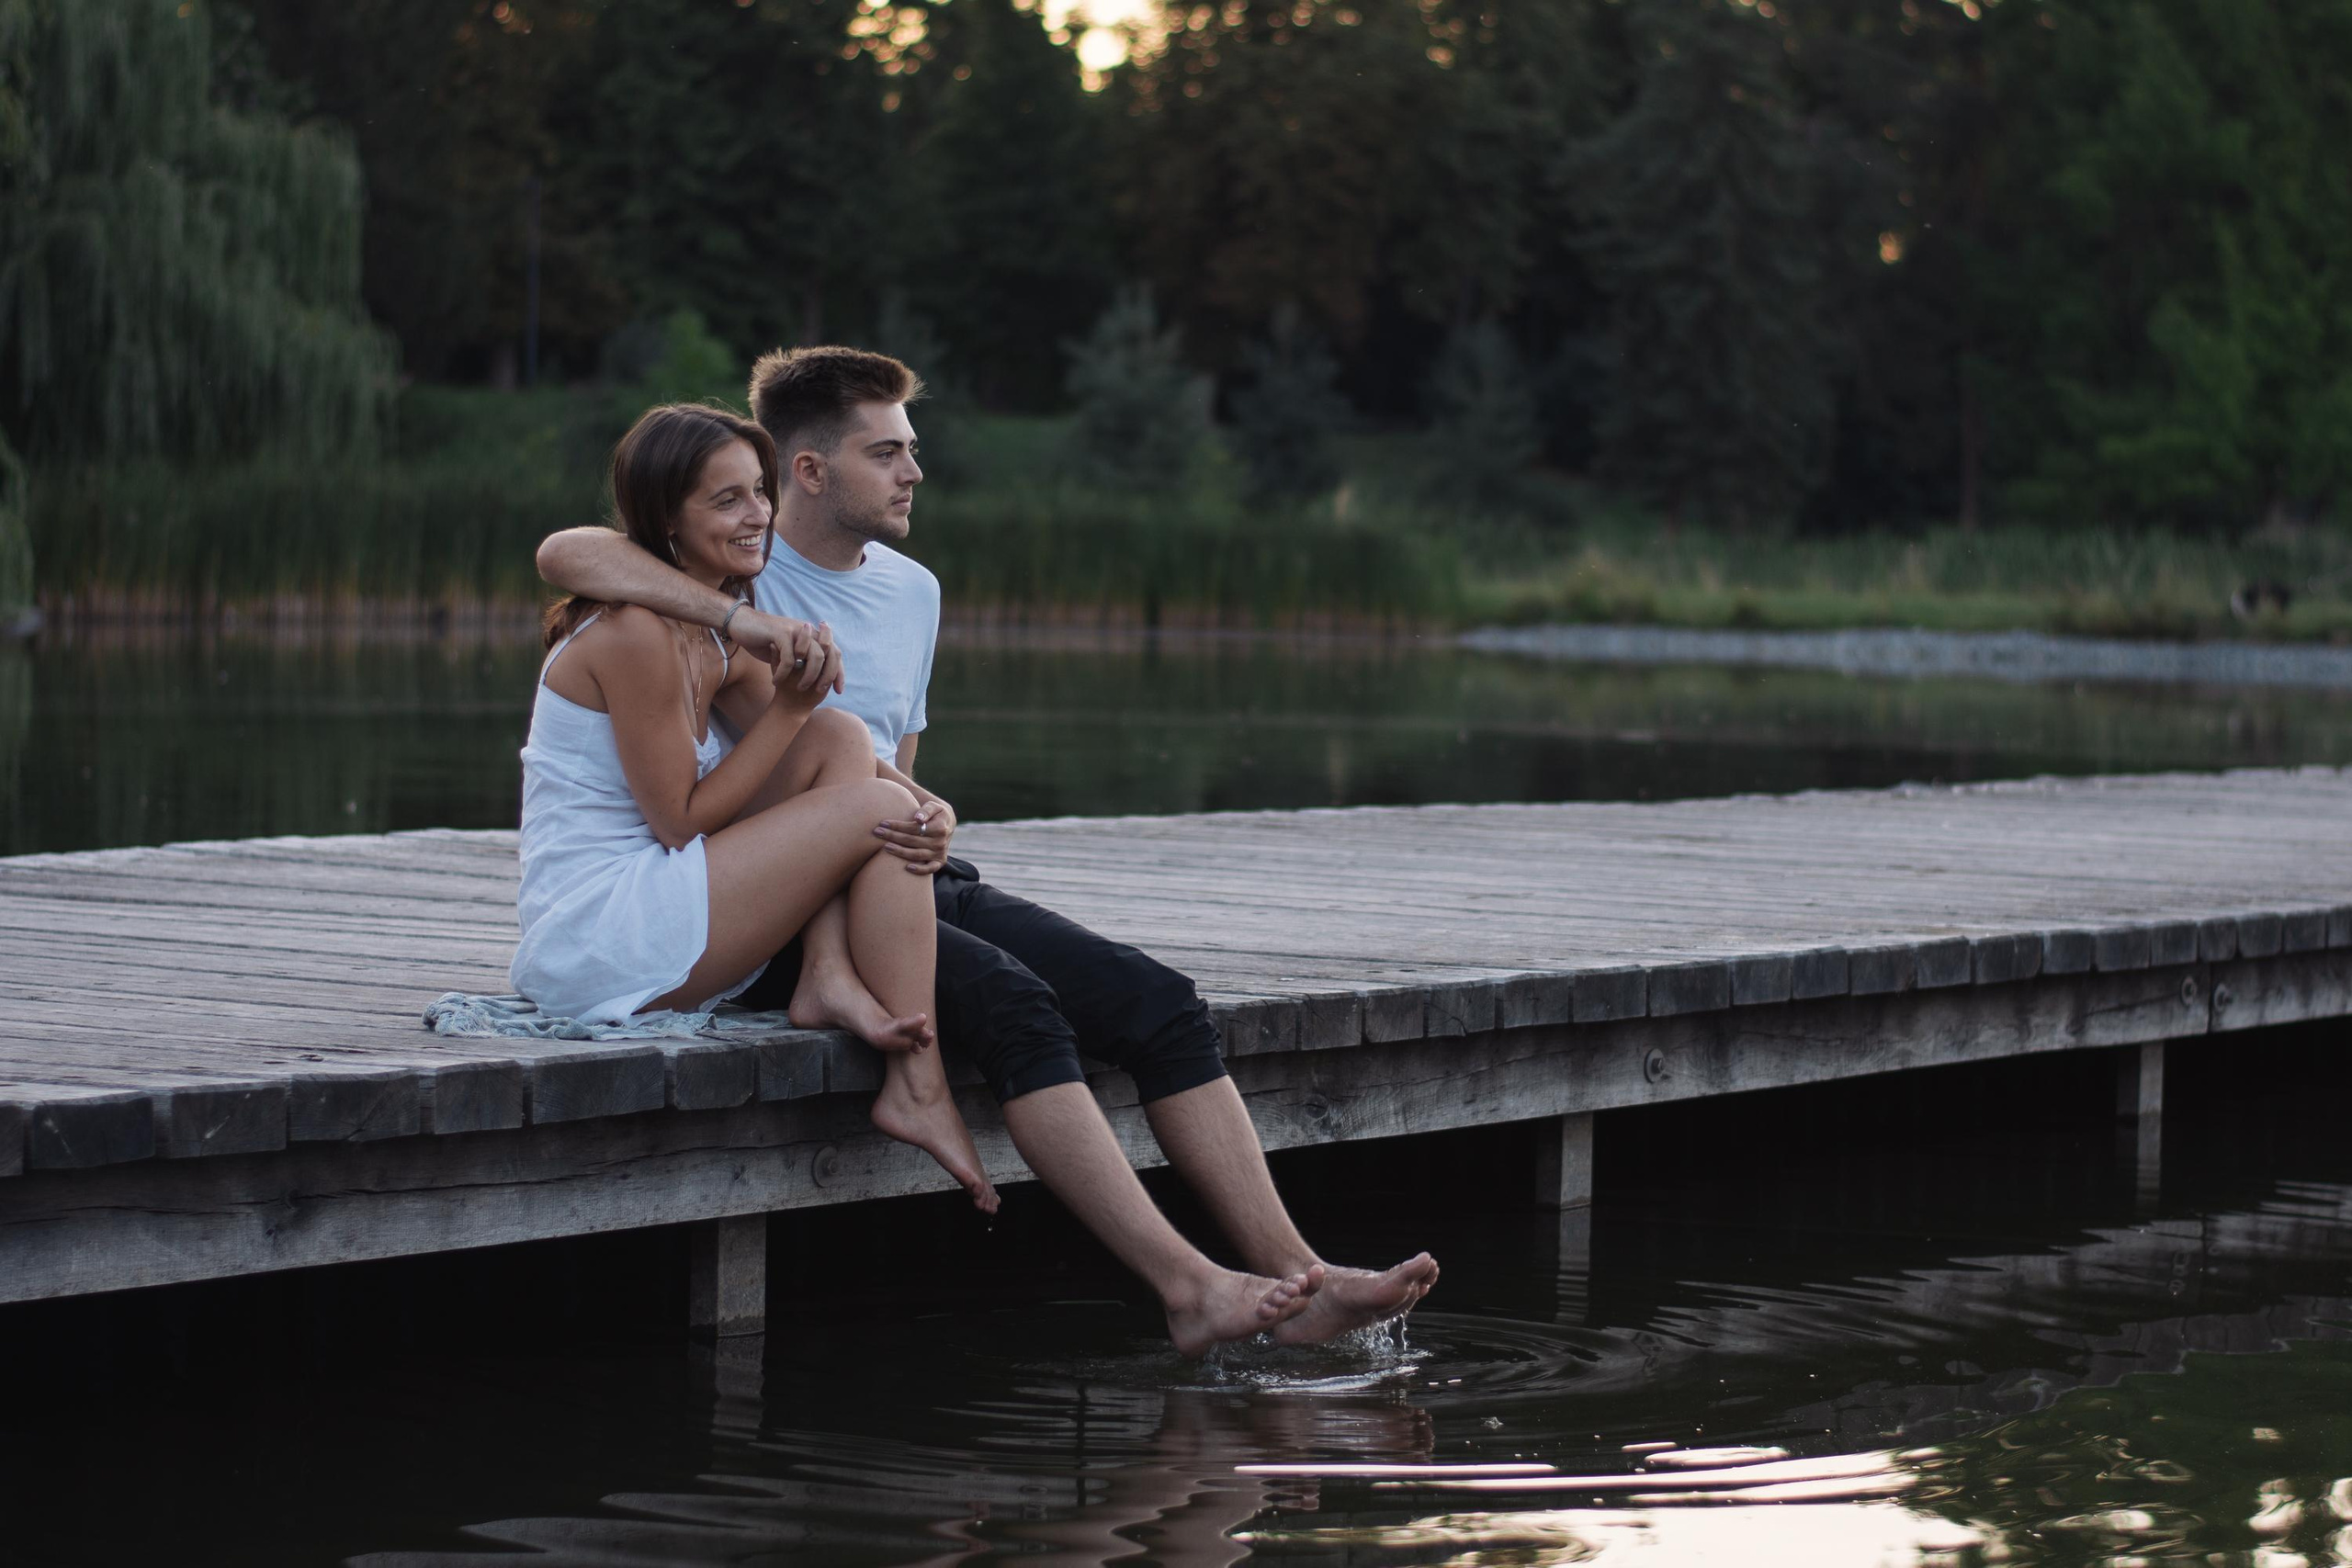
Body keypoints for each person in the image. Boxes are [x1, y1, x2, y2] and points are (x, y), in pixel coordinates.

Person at [536, 350, 1437, 1356]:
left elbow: (868, 756)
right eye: (887, 453)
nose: (914, 472)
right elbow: (574, 553)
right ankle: (1183, 1286)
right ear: (811, 472)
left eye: (912, 451)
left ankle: (1296, 1277)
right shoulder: (720, 584)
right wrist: (746, 620)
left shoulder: (908, 591)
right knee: (1011, 1002)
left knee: (1156, 1001)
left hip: (873, 854)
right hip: (748, 894)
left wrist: (929, 808)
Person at [514, 400, 1017, 1219]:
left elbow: (829, 744)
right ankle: (918, 1085)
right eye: (727, 501)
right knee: (866, 808)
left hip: (659, 894)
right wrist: (785, 703)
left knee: (848, 749)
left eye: (759, 492)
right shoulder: (638, 629)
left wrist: (928, 801)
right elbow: (680, 820)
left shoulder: (707, 637)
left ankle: (827, 975)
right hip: (599, 931)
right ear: (665, 518)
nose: (758, 517)